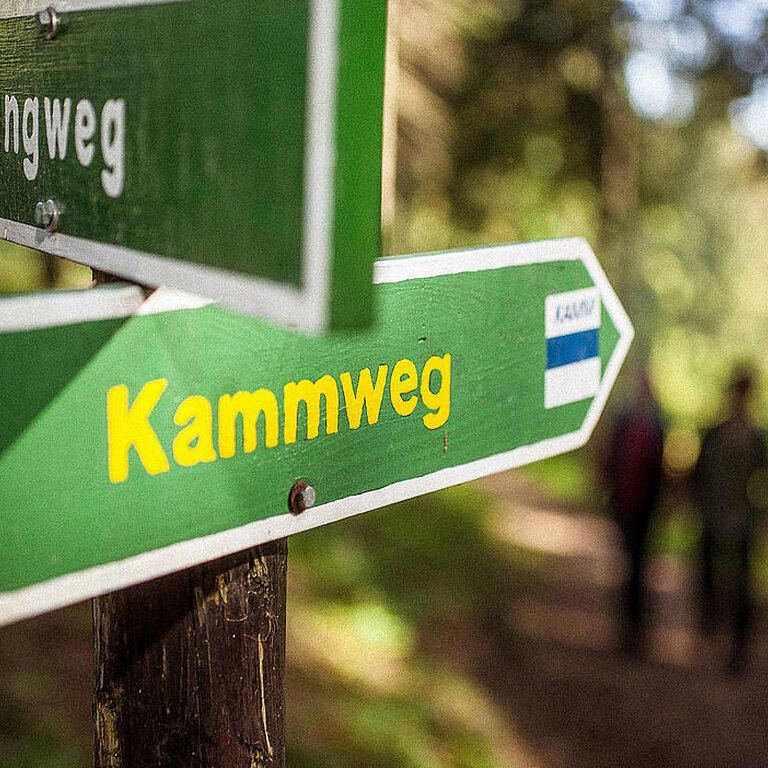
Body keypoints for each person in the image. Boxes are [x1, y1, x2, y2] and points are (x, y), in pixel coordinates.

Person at [693, 367, 766, 674]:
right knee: (708, 581)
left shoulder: (757, 439)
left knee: (743, 589)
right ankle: (710, 635)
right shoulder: (714, 434)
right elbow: (699, 475)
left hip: (741, 521)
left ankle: (738, 651)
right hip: (714, 518)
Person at [606, 371, 665, 655]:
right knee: (629, 565)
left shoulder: (657, 424)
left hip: (647, 507)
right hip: (624, 504)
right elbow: (611, 460)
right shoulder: (624, 421)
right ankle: (627, 628)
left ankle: (637, 629)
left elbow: (661, 469)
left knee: (640, 567)